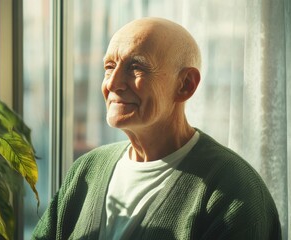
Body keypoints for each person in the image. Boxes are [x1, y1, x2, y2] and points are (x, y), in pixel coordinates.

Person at [32, 17, 282, 239]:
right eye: (109, 67)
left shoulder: (234, 192)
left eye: (136, 67)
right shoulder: (86, 171)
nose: (114, 83)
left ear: (185, 85)